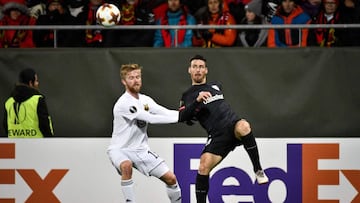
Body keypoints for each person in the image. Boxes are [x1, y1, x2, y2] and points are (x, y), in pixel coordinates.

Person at [178, 55, 268, 203]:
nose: (198, 70)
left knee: (244, 126)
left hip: (232, 126)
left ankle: (258, 169)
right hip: (217, 135)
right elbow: (183, 117)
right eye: (194, 66)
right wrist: (196, 101)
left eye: (201, 67)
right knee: (202, 166)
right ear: (189, 70)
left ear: (206, 70)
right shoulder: (188, 95)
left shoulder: (216, 86)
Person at [107, 63, 182, 203]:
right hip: (120, 149)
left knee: (171, 179)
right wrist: (180, 119)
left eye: (138, 77)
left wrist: (184, 114)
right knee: (126, 166)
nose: (136, 80)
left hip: (141, 150)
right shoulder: (123, 103)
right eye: (131, 78)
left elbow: (164, 112)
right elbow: (150, 119)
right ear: (123, 81)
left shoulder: (145, 100)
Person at [2, 68, 54, 138]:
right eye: (36, 81)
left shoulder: (9, 102)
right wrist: (50, 141)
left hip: (15, 145)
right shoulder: (37, 100)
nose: (37, 83)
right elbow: (44, 125)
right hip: (36, 145)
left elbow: (5, 125)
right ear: (30, 83)